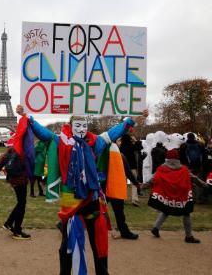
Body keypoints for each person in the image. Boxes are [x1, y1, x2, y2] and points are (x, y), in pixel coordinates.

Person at [24, 104, 145, 275]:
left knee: (98, 240)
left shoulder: (95, 142)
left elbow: (114, 132)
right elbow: (46, 135)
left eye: (84, 125)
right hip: (72, 201)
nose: (81, 129)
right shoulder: (62, 141)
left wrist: (131, 120)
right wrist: (29, 119)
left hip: (90, 200)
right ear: (70, 126)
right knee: (67, 243)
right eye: (78, 125)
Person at [144, 149, 205, 244]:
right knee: (186, 212)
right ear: (178, 158)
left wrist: (144, 185)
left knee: (166, 209)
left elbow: (153, 179)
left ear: (167, 158)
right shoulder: (184, 169)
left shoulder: (162, 168)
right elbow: (194, 178)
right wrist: (203, 184)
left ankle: (156, 227)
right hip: (182, 195)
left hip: (167, 194)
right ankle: (188, 236)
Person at [0, 140, 31, 239]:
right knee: (22, 204)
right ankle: (17, 231)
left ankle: (9, 223)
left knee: (20, 202)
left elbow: (0, 163)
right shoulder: (21, 151)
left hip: (13, 180)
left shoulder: (8, 152)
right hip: (21, 180)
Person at [119, 134, 140, 206]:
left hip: (123, 168)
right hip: (132, 167)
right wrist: (135, 140)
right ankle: (134, 200)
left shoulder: (121, 147)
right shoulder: (132, 146)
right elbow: (140, 147)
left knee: (123, 184)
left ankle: (122, 198)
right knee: (134, 183)